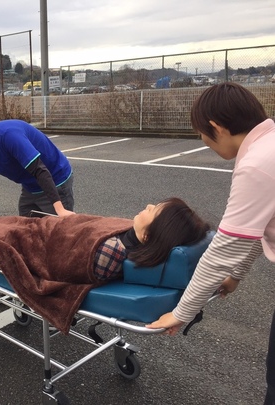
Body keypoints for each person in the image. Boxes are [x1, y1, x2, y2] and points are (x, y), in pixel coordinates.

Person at [146, 82, 275, 405]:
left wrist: (181, 313)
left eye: (201, 134)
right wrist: (236, 275)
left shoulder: (257, 164)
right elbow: (258, 228)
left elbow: (224, 248)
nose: (203, 141)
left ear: (217, 128)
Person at [91, 197, 209, 280]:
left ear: (147, 236)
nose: (148, 205)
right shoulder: (133, 231)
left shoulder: (110, 251)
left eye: (151, 211)